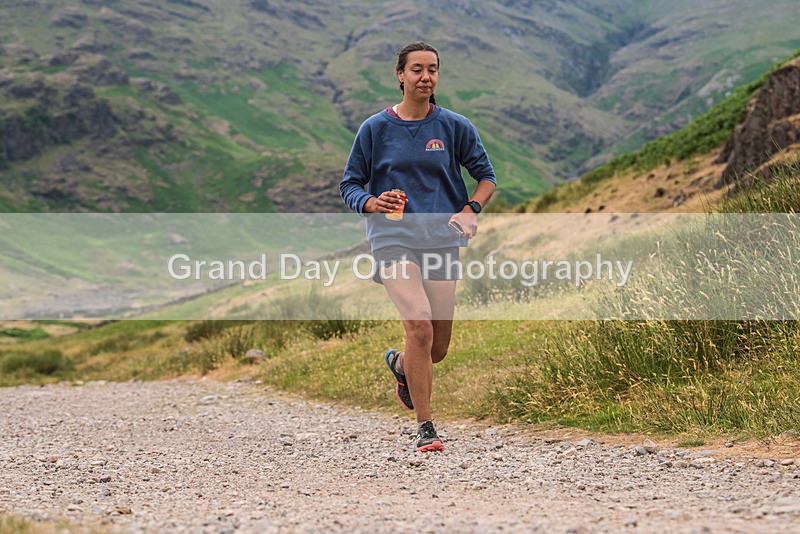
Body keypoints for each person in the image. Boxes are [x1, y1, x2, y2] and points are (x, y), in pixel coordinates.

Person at [340, 41, 496, 452]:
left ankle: (399, 365)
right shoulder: (374, 128)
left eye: (432, 70)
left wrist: (470, 209)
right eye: (417, 70)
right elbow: (349, 185)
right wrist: (371, 202)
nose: (425, 77)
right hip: (392, 239)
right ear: (400, 75)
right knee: (419, 325)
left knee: (436, 348)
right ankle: (426, 427)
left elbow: (486, 176)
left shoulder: (454, 126)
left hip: (441, 240)